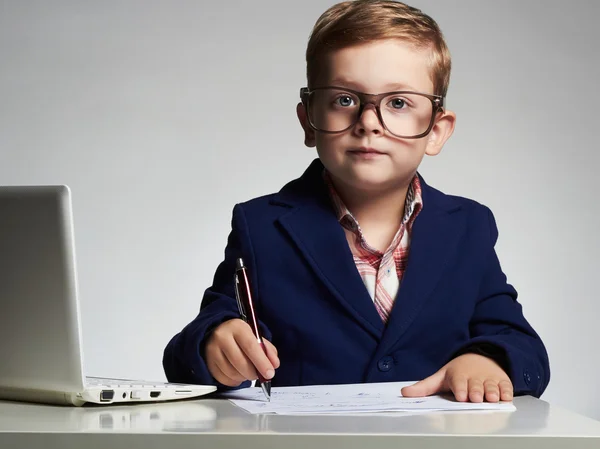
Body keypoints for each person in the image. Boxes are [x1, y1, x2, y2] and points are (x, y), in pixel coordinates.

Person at [163, 0, 550, 403]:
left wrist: (489, 359)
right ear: (308, 120)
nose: (368, 122)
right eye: (344, 99)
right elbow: (189, 349)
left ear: (436, 131)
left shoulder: (468, 226)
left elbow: (522, 345)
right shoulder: (261, 226)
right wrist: (214, 345)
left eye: (398, 102)